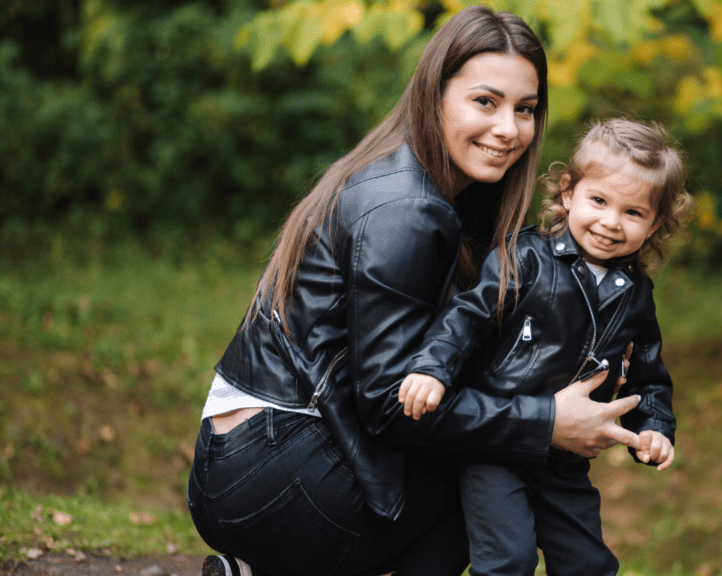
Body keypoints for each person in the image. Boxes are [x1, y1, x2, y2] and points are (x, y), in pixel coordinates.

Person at [186, 7, 645, 576]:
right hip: (275, 464)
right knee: (483, 487)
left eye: (525, 109)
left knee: (484, 465)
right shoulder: (407, 210)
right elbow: (389, 404)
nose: (509, 128)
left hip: (253, 458)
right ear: (435, 95)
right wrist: (545, 422)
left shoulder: (425, 187)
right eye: (485, 101)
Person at [398, 118, 694, 576]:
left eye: (633, 213)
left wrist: (653, 425)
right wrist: (431, 368)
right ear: (569, 191)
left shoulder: (636, 294)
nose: (611, 222)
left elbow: (649, 374)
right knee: (509, 560)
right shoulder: (524, 258)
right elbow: (466, 318)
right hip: (496, 445)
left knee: (587, 563)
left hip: (567, 459)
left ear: (655, 224)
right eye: (599, 201)